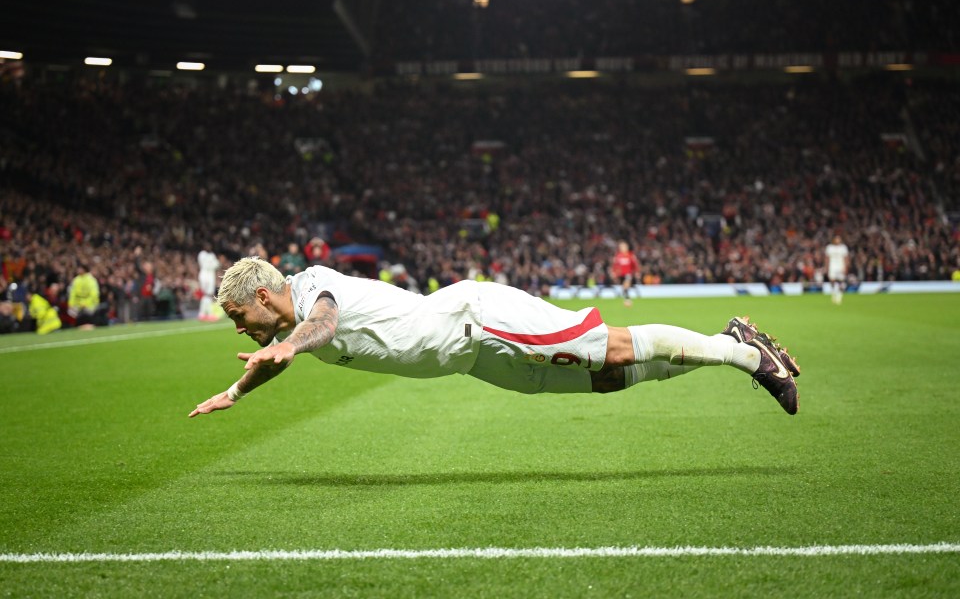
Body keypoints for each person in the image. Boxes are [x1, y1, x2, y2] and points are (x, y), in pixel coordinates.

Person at [190, 258, 801, 420]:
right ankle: (733, 338)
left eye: (242, 317)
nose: (243, 329)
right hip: (476, 361)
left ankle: (748, 357)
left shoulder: (315, 289)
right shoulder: (288, 322)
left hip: (477, 318)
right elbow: (278, 354)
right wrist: (237, 391)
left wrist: (291, 345)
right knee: (607, 377)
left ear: (265, 297)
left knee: (608, 346)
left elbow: (319, 325)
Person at [67, 262, 100, 330]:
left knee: (88, 320)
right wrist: (71, 304)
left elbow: (94, 294)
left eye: (80, 268)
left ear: (84, 269)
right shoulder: (76, 280)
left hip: (89, 305)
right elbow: (72, 294)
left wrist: (87, 304)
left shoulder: (91, 279)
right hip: (78, 306)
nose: (78, 270)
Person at [611, 241, 641, 306]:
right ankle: (626, 297)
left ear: (627, 247)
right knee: (624, 287)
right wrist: (613, 272)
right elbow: (615, 265)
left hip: (628, 274)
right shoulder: (618, 256)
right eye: (621, 247)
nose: (623, 248)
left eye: (624, 246)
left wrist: (637, 272)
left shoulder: (631, 255)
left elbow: (635, 265)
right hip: (620, 275)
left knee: (626, 283)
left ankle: (627, 299)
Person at [824, 235, 850, 305]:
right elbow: (827, 258)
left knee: (841, 281)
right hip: (832, 266)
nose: (838, 240)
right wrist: (826, 268)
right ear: (833, 240)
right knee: (832, 281)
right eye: (836, 239)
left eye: (839, 239)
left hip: (841, 266)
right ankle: (834, 293)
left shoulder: (843, 248)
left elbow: (846, 258)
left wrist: (846, 267)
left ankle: (839, 296)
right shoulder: (829, 247)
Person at [197, 246, 221, 321]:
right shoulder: (203, 254)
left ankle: (203, 314)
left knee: (207, 295)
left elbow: (217, 264)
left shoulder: (210, 255)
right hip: (207, 275)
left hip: (207, 275)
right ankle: (208, 314)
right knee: (207, 295)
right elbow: (216, 264)